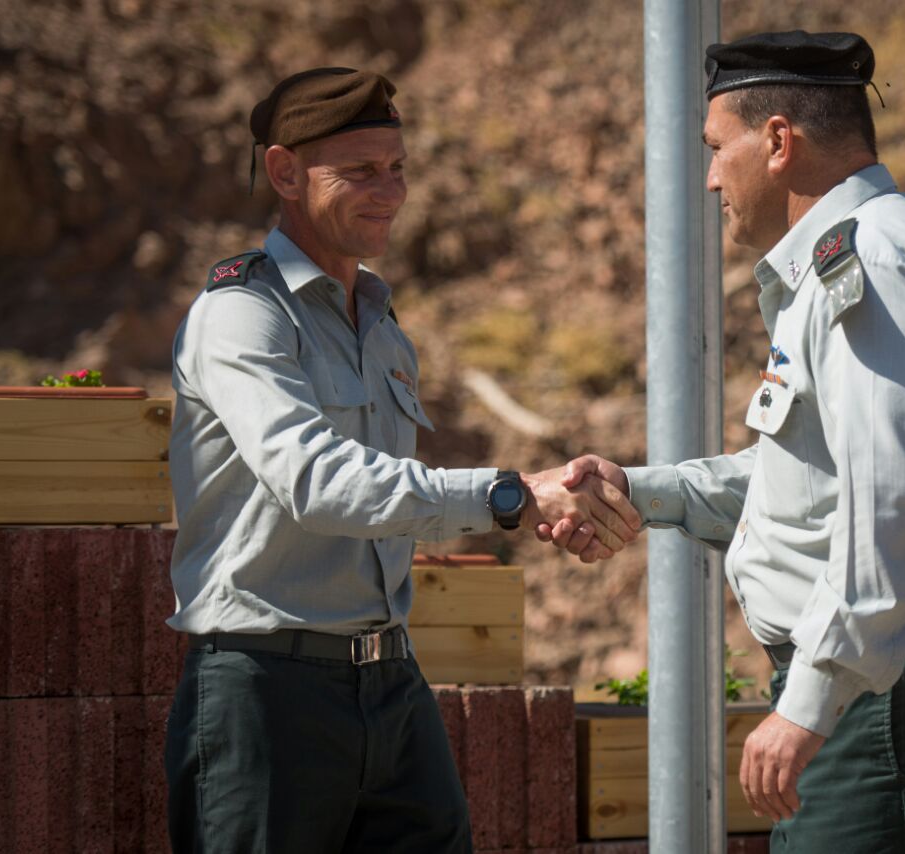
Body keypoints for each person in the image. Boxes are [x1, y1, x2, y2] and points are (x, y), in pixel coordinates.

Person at [545, 30, 905, 854]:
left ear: (778, 142)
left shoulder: (868, 261)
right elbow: (814, 482)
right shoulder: (857, 257)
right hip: (885, 684)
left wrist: (810, 700)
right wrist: (638, 490)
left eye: (715, 149)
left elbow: (887, 501)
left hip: (882, 698)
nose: (708, 178)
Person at [163, 66, 638, 854]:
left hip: (391, 685)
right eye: (359, 171)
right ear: (285, 171)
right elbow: (318, 484)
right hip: (266, 692)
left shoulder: (382, 323)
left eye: (398, 168)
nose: (389, 191)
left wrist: (544, 504)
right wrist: (513, 496)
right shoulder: (240, 316)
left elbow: (393, 498)